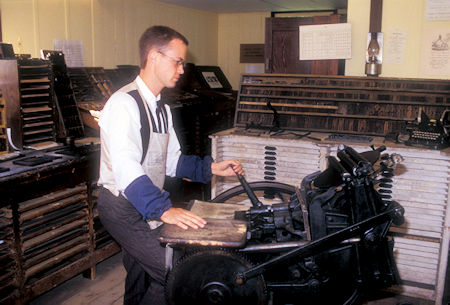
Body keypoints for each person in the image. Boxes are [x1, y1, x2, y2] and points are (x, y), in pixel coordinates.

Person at [97, 25, 244, 305]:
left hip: (145, 201)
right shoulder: (122, 105)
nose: (181, 69)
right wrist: (163, 209)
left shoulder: (162, 109)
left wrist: (211, 168)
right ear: (154, 56)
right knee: (175, 273)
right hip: (122, 206)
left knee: (140, 271)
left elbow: (171, 161)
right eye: (177, 61)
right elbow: (126, 168)